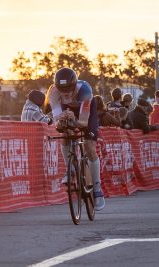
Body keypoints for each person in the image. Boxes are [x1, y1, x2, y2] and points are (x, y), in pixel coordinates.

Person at [46, 67, 105, 211]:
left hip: (86, 113)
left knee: (89, 147)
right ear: (56, 87)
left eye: (68, 88)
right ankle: (70, 169)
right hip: (68, 111)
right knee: (64, 134)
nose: (65, 92)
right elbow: (57, 122)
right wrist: (62, 121)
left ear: (74, 85)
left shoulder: (85, 92)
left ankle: (97, 187)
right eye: (62, 89)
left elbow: (83, 123)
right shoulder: (53, 93)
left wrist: (74, 121)